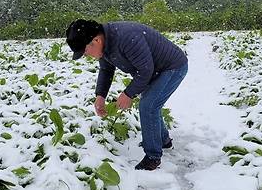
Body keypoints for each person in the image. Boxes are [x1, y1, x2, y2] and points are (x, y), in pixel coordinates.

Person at [65, 19, 188, 170]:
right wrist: (100, 96)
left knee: (148, 105)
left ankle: (153, 157)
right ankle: (163, 140)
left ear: (96, 40)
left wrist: (128, 94)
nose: (86, 55)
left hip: (172, 67)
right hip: (156, 69)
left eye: (85, 51)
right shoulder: (104, 44)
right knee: (151, 104)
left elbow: (145, 70)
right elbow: (106, 70)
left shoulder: (126, 37)